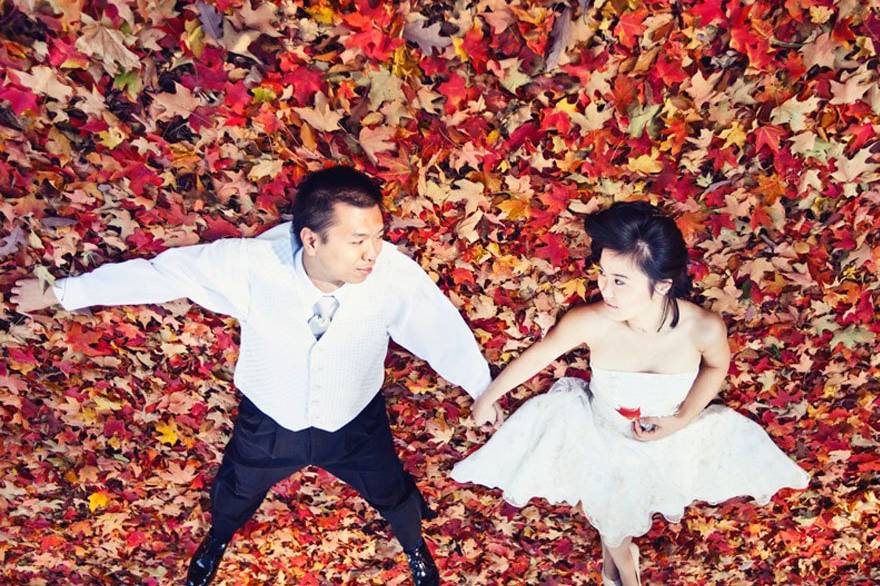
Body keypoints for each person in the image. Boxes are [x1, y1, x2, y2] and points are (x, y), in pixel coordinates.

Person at [12, 166, 495, 586]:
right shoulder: (247, 267)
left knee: (392, 491)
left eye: (377, 236)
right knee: (237, 490)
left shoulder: (393, 275)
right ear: (310, 238)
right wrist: (63, 293)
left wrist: (480, 386)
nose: (373, 253)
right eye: (357, 241)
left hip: (355, 425)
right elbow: (162, 275)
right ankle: (217, 541)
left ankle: (414, 546)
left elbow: (439, 328)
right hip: (269, 420)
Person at [451, 201, 810, 586]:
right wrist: (487, 398)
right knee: (611, 502)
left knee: (621, 504)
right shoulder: (592, 321)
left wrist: (681, 419)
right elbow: (537, 357)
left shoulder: (701, 328)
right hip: (600, 432)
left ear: (663, 285)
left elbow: (716, 366)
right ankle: (626, 573)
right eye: (603, 275)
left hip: (668, 438)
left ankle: (616, 562)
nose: (604, 288)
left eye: (620, 281)